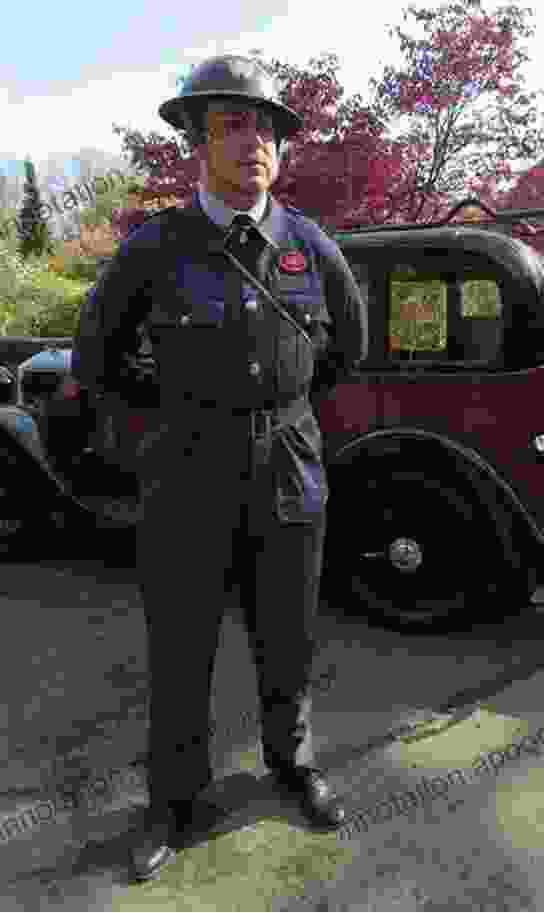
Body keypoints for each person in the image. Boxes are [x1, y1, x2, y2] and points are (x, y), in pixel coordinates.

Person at [71, 54, 368, 882]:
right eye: (232, 125)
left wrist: (288, 423)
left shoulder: (311, 249)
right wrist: (149, 443)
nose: (254, 142)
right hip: (186, 475)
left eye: (265, 126)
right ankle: (173, 798)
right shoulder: (155, 248)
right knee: (180, 646)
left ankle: (293, 763)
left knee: (290, 637)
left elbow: (346, 353)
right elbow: (96, 363)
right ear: (196, 145)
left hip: (289, 474)